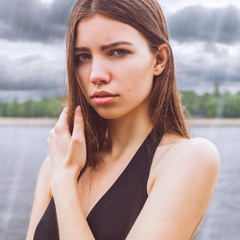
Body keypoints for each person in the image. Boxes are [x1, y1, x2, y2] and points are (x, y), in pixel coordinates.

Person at [26, 0, 220, 239]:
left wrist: (65, 182)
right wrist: (61, 172)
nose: (96, 75)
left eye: (118, 52)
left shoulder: (189, 158)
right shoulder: (56, 163)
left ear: (158, 59)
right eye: (83, 56)